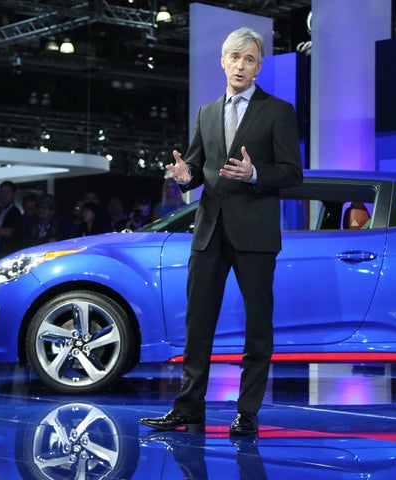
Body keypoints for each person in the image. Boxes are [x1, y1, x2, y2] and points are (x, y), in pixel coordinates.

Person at [139, 27, 303, 436]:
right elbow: (196, 169)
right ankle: (189, 408)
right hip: (209, 231)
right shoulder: (207, 112)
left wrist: (255, 174)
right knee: (198, 325)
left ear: (259, 66)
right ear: (223, 62)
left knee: (257, 327)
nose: (241, 66)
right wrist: (184, 175)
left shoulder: (277, 111)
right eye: (235, 57)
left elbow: (293, 175)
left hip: (255, 234)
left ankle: (247, 412)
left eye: (249, 59)